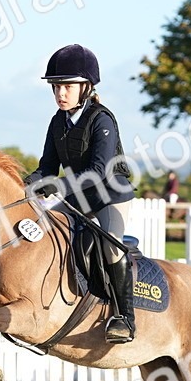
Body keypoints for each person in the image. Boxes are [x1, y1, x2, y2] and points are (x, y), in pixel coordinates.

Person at [24, 43, 136, 344]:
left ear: (86, 87)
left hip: (111, 194)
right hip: (79, 197)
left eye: (68, 86)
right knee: (44, 234)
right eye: (57, 86)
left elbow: (99, 172)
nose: (61, 93)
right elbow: (47, 167)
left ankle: (125, 317)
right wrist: (22, 184)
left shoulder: (102, 119)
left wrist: (57, 187)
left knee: (111, 247)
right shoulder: (57, 122)